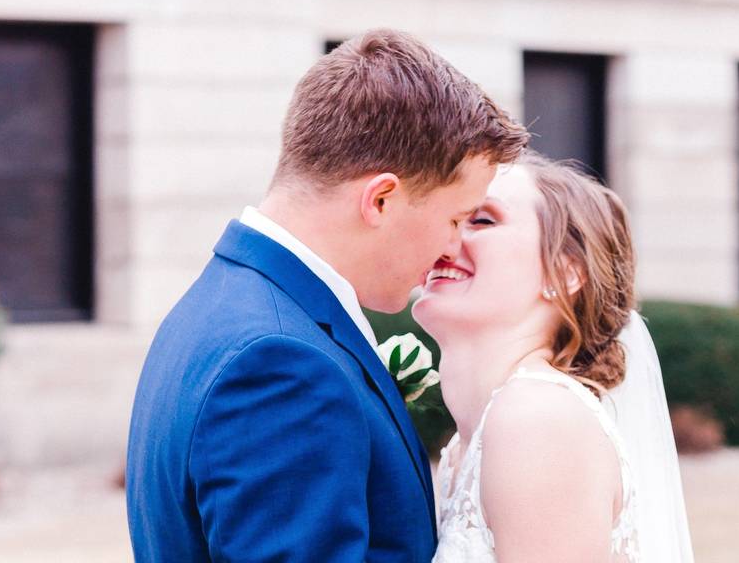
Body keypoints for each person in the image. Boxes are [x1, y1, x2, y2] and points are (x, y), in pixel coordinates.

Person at [125, 29, 529, 562]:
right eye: (454, 218)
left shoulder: (219, 307)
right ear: (381, 199)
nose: (453, 247)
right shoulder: (280, 364)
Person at [414, 152, 694, 562]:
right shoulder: (468, 444)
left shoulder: (537, 418)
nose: (445, 239)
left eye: (482, 220)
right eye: (451, 218)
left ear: (566, 272)